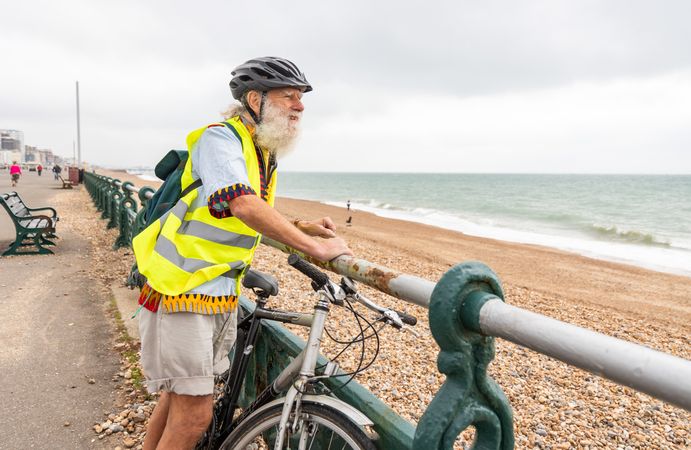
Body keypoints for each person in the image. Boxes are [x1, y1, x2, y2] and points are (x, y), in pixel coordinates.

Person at [132, 56, 353, 450]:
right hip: (180, 289)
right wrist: (316, 248)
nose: (300, 106)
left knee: (176, 401)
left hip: (215, 294)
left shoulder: (261, 150)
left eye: (301, 98)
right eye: (289, 97)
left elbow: (249, 209)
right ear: (255, 99)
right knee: (195, 416)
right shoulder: (221, 139)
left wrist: (300, 227)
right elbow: (243, 206)